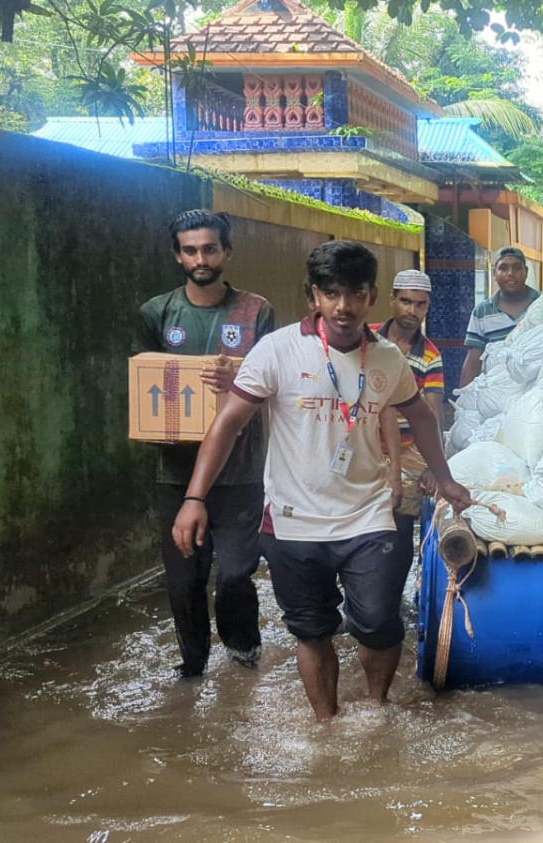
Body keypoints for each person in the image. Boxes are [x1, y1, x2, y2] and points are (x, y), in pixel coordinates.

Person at [172, 241, 474, 720]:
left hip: (370, 514)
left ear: (370, 296)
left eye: (354, 294)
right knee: (311, 631)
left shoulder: (389, 358)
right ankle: (326, 724)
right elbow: (228, 423)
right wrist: (194, 497)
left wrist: (446, 478)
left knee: (378, 623)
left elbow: (420, 416)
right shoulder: (276, 351)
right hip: (293, 521)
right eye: (331, 293)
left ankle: (375, 711)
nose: (343, 306)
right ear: (313, 296)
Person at [133, 209, 275, 679]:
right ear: (178, 255)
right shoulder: (156, 314)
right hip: (176, 470)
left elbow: (277, 382)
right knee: (184, 579)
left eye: (210, 248)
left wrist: (242, 372)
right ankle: (192, 669)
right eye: (190, 250)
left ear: (226, 252)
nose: (201, 258)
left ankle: (243, 656)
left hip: (241, 470)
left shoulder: (257, 312)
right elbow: (144, 383)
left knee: (235, 574)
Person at [373, 269, 445, 580]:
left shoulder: (430, 356)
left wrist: (434, 465)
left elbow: (432, 412)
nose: (411, 311)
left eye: (420, 304)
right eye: (405, 301)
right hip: (363, 449)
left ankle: (389, 597)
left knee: (399, 529)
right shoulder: (367, 338)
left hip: (406, 454)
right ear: (391, 300)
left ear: (427, 307)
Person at [460, 246, 539, 385]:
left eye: (517, 268)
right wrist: (463, 400)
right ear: (494, 274)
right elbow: (473, 361)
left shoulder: (542, 304)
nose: (510, 273)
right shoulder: (482, 313)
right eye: (503, 268)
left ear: (526, 272)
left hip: (535, 393)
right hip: (496, 395)